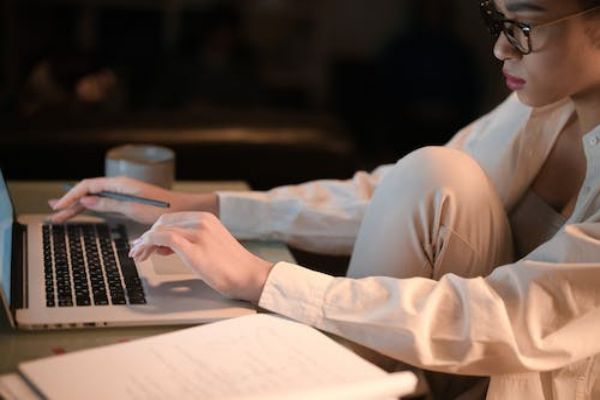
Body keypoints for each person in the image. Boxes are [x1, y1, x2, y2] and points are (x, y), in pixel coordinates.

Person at [48, 0, 600, 398]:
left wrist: (263, 279)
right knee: (436, 170)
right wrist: (204, 206)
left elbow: (514, 317)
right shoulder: (541, 109)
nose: (500, 47)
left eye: (523, 25)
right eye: (495, 19)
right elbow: (390, 193)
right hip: (460, 368)